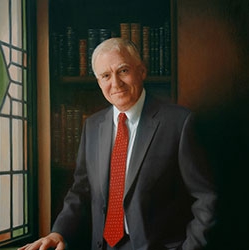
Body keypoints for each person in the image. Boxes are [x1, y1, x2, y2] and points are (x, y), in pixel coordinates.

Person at [18, 37, 217, 250]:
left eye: (123, 71)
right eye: (105, 75)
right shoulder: (93, 126)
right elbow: (81, 191)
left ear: (141, 71)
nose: (115, 83)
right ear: (99, 82)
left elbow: (206, 198)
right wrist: (59, 233)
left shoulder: (178, 122)